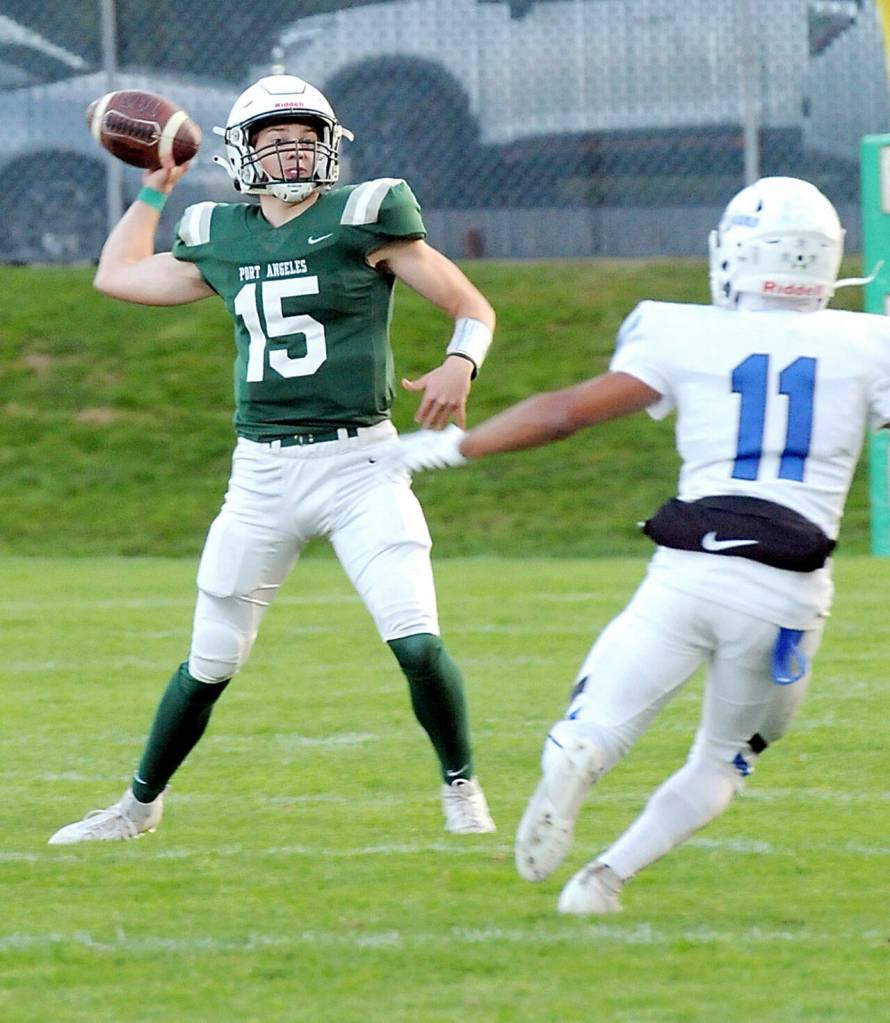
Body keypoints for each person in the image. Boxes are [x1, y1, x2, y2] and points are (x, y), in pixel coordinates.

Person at [391, 176, 890, 913]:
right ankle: (603, 880)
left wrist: (449, 449)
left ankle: (579, 750)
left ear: (739, 253)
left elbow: (564, 413)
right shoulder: (869, 342)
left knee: (596, 725)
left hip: (688, 568)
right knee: (727, 756)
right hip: (787, 588)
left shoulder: (680, 329)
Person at [48, 74, 497, 844]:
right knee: (209, 662)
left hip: (362, 463)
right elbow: (115, 275)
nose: (292, 152)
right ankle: (138, 805)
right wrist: (157, 188)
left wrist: (462, 360)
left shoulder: (367, 215)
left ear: (329, 145)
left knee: (416, 637)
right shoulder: (222, 233)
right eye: (275, 139)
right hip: (262, 471)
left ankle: (462, 785)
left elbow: (470, 305)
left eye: (304, 137)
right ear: (245, 152)